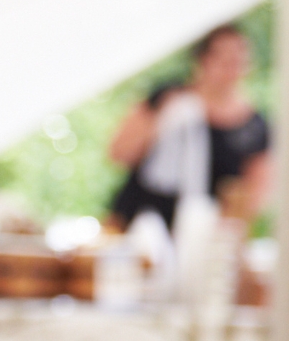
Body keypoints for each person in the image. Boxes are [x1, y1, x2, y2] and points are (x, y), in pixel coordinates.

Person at [107, 22, 271, 231]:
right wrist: (163, 121)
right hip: (140, 219)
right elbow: (118, 153)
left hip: (202, 232)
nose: (232, 65)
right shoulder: (168, 99)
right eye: (223, 57)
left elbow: (257, 192)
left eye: (239, 56)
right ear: (202, 60)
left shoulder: (254, 125)